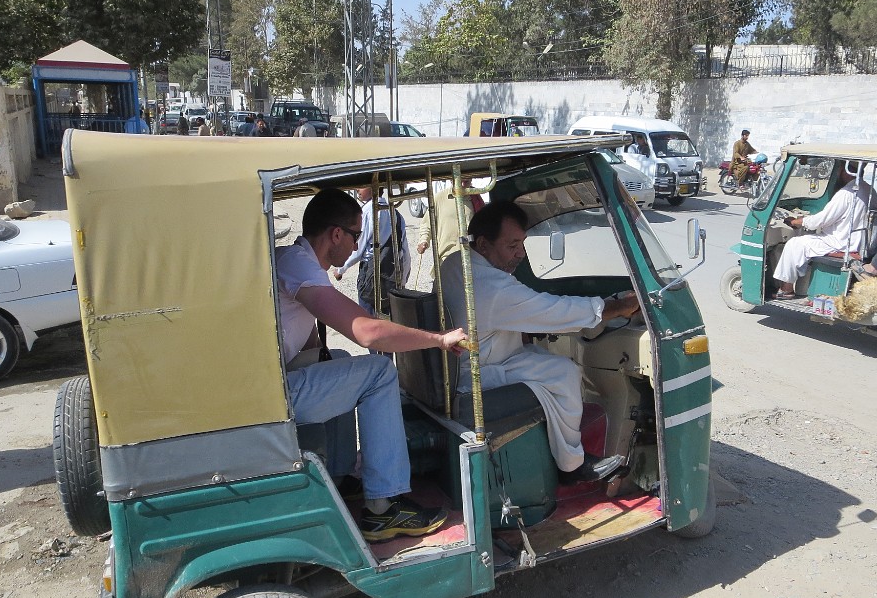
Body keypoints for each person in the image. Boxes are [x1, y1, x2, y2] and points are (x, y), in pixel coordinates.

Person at [275, 189, 467, 541]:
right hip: (272, 395)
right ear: (336, 234)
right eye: (355, 236)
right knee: (379, 372)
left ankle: (340, 474)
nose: (356, 246)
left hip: (273, 382)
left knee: (341, 360)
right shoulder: (298, 265)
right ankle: (383, 509)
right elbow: (367, 331)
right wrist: (438, 339)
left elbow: (310, 343)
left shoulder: (293, 260)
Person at [439, 201, 641, 485]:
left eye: (522, 244)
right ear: (483, 245)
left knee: (541, 356)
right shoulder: (493, 287)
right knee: (565, 371)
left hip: (471, 361)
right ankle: (571, 465)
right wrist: (616, 307)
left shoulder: (455, 263)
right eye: (512, 246)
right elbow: (556, 312)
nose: (520, 254)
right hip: (478, 373)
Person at [772, 163, 877, 300]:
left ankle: (786, 289)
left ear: (844, 171)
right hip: (855, 240)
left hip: (840, 243)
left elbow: (822, 220)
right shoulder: (869, 190)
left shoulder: (847, 193)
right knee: (806, 240)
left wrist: (798, 222)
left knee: (795, 243)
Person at [333, 187, 412, 314]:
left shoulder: (367, 212)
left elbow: (358, 246)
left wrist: (341, 268)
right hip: (392, 275)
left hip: (370, 276)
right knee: (389, 320)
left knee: (369, 317)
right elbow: (404, 250)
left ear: (374, 187)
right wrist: (403, 279)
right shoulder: (395, 213)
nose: (357, 189)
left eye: (362, 186)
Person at [416, 177, 484, 277]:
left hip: (471, 261)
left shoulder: (476, 200)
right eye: (459, 179)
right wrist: (424, 241)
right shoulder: (439, 198)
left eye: (466, 179)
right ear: (451, 179)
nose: (463, 183)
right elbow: (427, 224)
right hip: (445, 260)